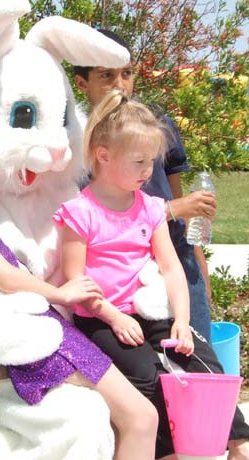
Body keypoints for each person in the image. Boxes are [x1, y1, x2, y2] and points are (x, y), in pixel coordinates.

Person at [0, 88, 158, 460]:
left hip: (31, 329)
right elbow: (5, 277)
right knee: (141, 418)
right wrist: (63, 293)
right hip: (35, 336)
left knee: (135, 417)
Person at [55, 90, 249, 460]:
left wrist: (182, 320)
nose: (148, 171)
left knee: (204, 361)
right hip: (102, 318)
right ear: (103, 156)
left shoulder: (148, 207)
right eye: (139, 162)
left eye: (151, 161)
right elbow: (75, 281)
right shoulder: (79, 213)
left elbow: (170, 269)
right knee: (149, 375)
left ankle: (240, 447)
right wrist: (115, 317)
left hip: (150, 310)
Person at [73, 30, 215, 342]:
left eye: (126, 73)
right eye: (106, 76)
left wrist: (199, 276)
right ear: (82, 84)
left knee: (196, 352)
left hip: (175, 261)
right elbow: (102, 217)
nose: (120, 85)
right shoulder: (81, 140)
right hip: (121, 281)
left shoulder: (155, 123)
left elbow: (180, 205)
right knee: (148, 370)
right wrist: (174, 209)